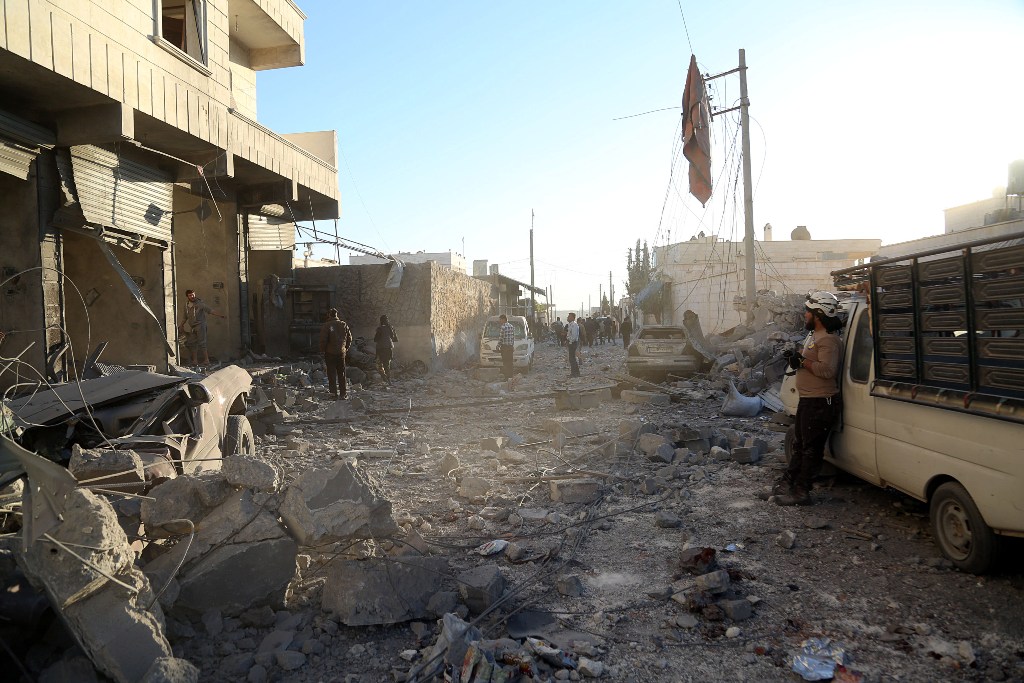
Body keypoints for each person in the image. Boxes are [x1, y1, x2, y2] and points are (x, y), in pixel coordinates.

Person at [775, 291, 845, 506]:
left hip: (821, 402)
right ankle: (787, 485)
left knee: (811, 450)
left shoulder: (829, 341)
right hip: (809, 400)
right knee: (800, 445)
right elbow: (811, 364)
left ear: (818, 314)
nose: (804, 315)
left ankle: (801, 492)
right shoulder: (816, 338)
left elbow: (827, 371)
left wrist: (802, 362)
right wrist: (796, 359)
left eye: (807, 311)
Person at [179, 289, 224, 366]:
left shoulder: (200, 303)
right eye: (190, 295)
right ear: (187, 296)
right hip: (192, 327)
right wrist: (181, 325)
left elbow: (210, 310)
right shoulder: (186, 305)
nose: (192, 296)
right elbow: (185, 317)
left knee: (202, 343)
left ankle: (206, 360)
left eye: (193, 294)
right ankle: (195, 361)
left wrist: (220, 315)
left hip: (200, 325)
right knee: (193, 344)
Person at [319, 308, 352, 400]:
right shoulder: (343, 324)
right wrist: (345, 349)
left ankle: (333, 394)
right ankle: (343, 394)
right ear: (337, 314)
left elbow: (323, 340)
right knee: (342, 374)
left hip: (330, 353)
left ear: (329, 315)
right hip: (341, 353)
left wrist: (322, 351)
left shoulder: (326, 325)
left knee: (331, 374)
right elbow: (350, 338)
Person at [374, 314, 399, 384]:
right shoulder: (391, 328)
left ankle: (384, 378)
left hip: (381, 349)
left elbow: (375, 339)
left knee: (378, 365)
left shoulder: (380, 329)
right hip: (389, 349)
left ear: (381, 321)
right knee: (387, 364)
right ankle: (389, 380)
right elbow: (395, 339)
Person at [498, 314, 516, 379]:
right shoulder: (511, 326)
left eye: (500, 319)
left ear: (503, 319)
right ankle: (511, 377)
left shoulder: (503, 327)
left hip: (505, 348)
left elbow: (501, 338)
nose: (499, 321)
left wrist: (498, 346)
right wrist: (512, 345)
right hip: (510, 347)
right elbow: (513, 337)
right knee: (510, 363)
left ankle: (506, 378)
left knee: (505, 362)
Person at [565, 312, 581, 377]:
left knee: (572, 359)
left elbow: (574, 336)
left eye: (569, 316)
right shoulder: (570, 325)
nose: (568, 318)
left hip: (573, 343)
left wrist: (570, 342)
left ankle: (574, 373)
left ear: (572, 318)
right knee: (572, 358)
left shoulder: (574, 325)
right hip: (571, 342)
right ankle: (575, 373)